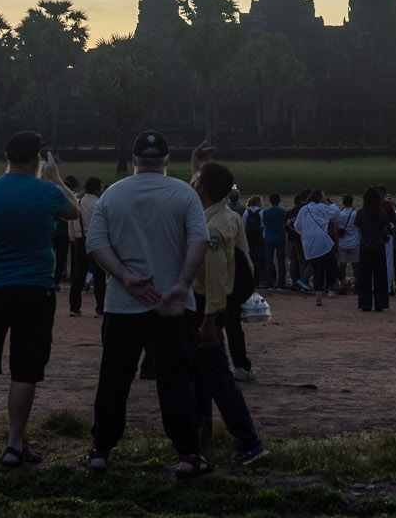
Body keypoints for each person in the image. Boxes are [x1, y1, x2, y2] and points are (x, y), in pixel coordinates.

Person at [84, 131, 212, 475]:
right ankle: (187, 454)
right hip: (172, 303)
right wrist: (181, 284)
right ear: (167, 161)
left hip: (123, 303)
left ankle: (101, 450)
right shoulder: (184, 193)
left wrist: (125, 278)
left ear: (135, 161)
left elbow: (96, 244)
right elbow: (200, 240)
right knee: (177, 378)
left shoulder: (113, 194)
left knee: (114, 376)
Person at [0, 131, 78, 467]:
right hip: (35, 290)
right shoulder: (48, 192)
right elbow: (74, 212)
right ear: (37, 159)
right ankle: (13, 444)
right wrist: (56, 177)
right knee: (25, 369)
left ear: (6, 158)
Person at [189, 161, 268, 465]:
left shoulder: (213, 228)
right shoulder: (223, 216)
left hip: (206, 307)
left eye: (197, 182)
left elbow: (217, 278)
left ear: (203, 189)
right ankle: (200, 434)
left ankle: (249, 441)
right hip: (208, 306)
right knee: (200, 375)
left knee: (218, 378)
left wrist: (209, 320)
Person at [293, 189, 339, 304]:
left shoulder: (304, 209)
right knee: (331, 264)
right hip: (322, 241)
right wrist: (329, 203)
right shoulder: (322, 208)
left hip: (308, 243)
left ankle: (318, 297)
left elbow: (297, 227)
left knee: (316, 270)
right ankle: (338, 283)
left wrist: (306, 232)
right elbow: (336, 211)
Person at [71, 176, 106, 316]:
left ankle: (74, 307)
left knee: (78, 275)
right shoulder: (99, 204)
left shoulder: (78, 202)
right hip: (96, 242)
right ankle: (100, 308)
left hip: (79, 241)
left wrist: (73, 237)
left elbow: (71, 224)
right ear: (97, 189)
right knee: (99, 276)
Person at [260, 193, 289, 289]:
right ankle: (281, 284)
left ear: (270, 201)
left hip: (268, 237)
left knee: (268, 261)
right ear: (279, 201)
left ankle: (268, 283)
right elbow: (285, 224)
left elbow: (264, 223)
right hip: (280, 237)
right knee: (281, 262)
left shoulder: (265, 212)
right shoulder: (284, 212)